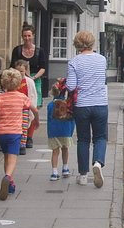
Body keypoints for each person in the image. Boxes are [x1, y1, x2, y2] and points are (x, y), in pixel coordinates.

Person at [0, 68, 39, 200]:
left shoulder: (0, 97)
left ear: (4, 83)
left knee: (6, 156)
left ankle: (10, 183)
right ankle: (7, 177)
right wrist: (36, 120)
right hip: (15, 133)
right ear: (19, 84)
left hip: (1, 133)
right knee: (13, 158)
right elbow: (34, 110)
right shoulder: (22, 97)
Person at [68, 30, 109, 187]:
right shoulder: (102, 59)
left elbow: (71, 86)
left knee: (83, 139)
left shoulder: (73, 62)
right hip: (100, 104)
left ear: (77, 44)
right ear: (92, 43)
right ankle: (97, 163)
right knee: (100, 137)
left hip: (82, 105)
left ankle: (83, 176)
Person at [47, 78, 75, 181]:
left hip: (53, 132)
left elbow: (49, 120)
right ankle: (65, 168)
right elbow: (72, 120)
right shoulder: (67, 105)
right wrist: (70, 132)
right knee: (65, 149)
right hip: (65, 131)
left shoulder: (50, 105)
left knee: (55, 152)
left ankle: (54, 172)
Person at [10, 23, 48, 99]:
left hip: (35, 78)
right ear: (22, 37)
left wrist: (33, 78)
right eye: (25, 36)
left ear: (33, 36)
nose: (27, 38)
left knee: (35, 99)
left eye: (29, 36)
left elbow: (43, 68)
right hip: (20, 78)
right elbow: (12, 66)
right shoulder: (17, 50)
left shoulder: (39, 51)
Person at [13, 60, 39, 150]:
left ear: (25, 71)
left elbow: (33, 95)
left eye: (22, 71)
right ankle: (16, 142)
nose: (19, 73)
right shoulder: (13, 81)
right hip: (15, 107)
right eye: (17, 71)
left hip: (25, 107)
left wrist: (32, 106)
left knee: (24, 126)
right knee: (15, 126)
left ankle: (23, 144)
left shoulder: (29, 82)